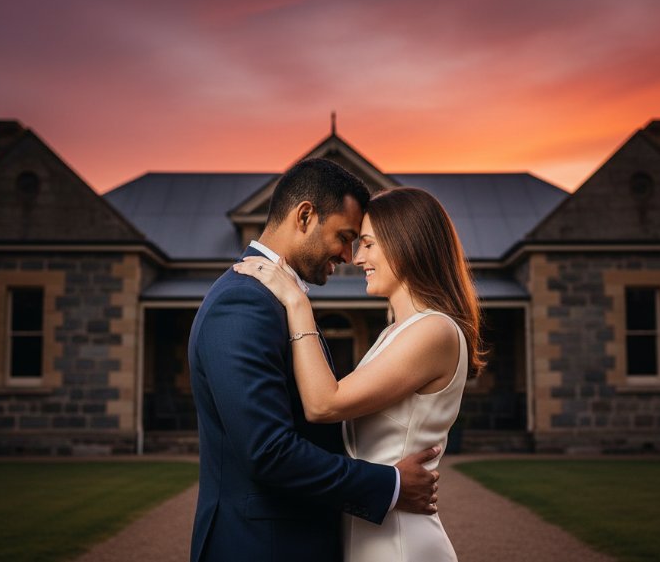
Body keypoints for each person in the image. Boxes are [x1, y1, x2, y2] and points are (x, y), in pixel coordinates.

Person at [188, 160, 442, 562]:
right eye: (344, 237)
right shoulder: (244, 302)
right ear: (305, 216)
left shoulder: (277, 299)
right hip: (262, 548)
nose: (348, 254)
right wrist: (389, 484)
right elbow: (268, 451)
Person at [234, 186, 485, 562]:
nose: (355, 257)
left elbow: (323, 403)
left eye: (367, 243)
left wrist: (297, 302)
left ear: (406, 243)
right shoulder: (393, 333)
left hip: (400, 543)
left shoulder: (435, 331)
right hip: (369, 528)